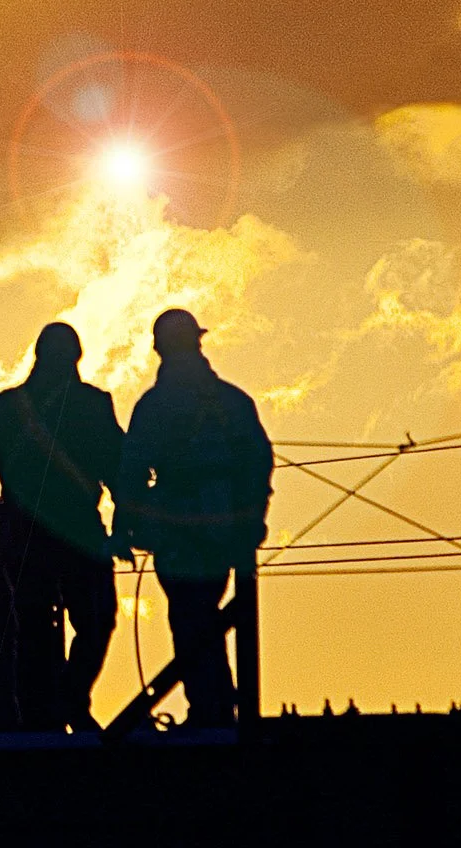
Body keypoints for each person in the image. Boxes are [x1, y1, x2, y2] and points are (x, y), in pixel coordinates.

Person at [0, 322, 124, 732]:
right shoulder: (89, 404)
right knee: (86, 619)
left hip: (28, 532)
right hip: (68, 529)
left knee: (42, 625)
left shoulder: (14, 407)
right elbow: (118, 464)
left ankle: (48, 713)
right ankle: (61, 707)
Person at [116, 309, 274, 728]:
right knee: (202, 613)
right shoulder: (233, 401)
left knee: (190, 617)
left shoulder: (156, 405)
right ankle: (217, 703)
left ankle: (212, 708)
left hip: (176, 525)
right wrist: (252, 517)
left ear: (160, 347)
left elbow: (131, 468)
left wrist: (126, 523)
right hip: (225, 525)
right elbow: (258, 463)